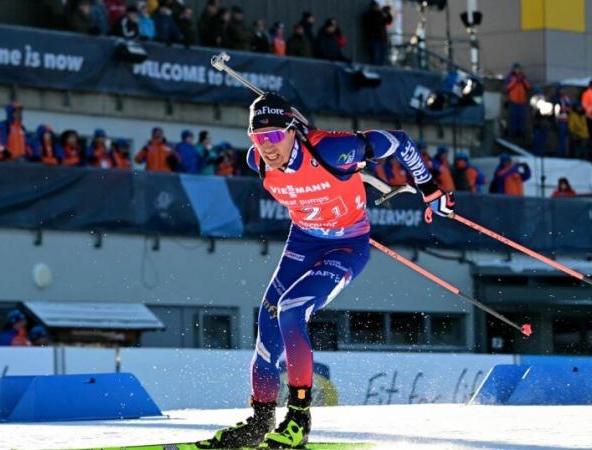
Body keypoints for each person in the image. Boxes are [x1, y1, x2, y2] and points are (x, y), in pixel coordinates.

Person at [195, 92, 453, 449]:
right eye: (257, 137)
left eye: (273, 136)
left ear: (292, 131)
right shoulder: (257, 161)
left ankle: (299, 417)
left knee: (292, 309)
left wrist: (428, 187)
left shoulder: (332, 150)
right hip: (302, 242)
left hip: (346, 247)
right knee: (267, 324)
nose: (266, 146)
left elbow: (401, 142)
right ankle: (260, 420)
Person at [504, 63, 531, 140]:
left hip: (522, 101)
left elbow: (528, 87)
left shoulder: (523, 77)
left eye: (519, 69)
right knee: (514, 117)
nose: (517, 70)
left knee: (521, 117)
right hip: (513, 101)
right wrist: (515, 81)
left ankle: (520, 132)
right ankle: (514, 132)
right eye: (516, 69)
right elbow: (508, 87)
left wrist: (523, 80)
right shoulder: (510, 77)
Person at [362, 0, 392, 65]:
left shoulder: (380, 15)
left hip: (382, 40)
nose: (378, 8)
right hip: (374, 40)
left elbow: (389, 21)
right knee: (375, 59)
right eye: (377, 6)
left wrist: (387, 12)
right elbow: (373, 23)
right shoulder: (369, 15)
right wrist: (380, 13)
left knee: (381, 59)